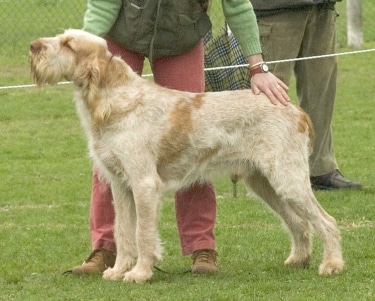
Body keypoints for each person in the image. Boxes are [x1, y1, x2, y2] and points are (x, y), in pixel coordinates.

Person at [70, 0, 290, 275]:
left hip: (181, 38)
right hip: (122, 35)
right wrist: (88, 48)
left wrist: (257, 68)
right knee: (112, 149)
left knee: (196, 140)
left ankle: (201, 246)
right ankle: (106, 247)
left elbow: (237, 4)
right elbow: (105, 3)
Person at [251, 0, 361, 190]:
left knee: (321, 92)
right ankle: (261, 171)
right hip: (274, 11)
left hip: (321, 7)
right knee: (268, 97)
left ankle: (320, 169)